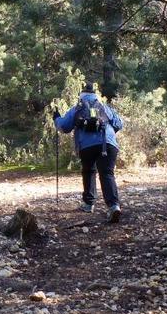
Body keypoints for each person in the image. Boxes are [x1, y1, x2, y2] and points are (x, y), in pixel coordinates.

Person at [53, 82, 124, 223]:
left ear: (82, 95)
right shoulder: (104, 107)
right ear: (95, 95)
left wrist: (56, 117)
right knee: (107, 173)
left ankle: (88, 204)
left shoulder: (77, 108)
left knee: (89, 171)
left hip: (86, 145)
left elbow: (64, 127)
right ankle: (113, 206)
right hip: (108, 143)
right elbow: (119, 123)